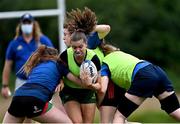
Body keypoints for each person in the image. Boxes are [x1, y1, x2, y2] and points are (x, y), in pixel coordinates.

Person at [2, 45, 87, 123]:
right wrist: (90, 84)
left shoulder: (37, 66)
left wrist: (61, 81)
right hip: (36, 98)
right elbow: (75, 80)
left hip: (18, 97)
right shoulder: (59, 64)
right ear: (56, 56)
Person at [96, 50, 180, 123]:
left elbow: (103, 89)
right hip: (157, 70)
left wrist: (98, 102)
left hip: (144, 76)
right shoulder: (118, 54)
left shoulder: (104, 65)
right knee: (174, 110)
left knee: (119, 117)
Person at [1, 13, 54, 98]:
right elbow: (7, 65)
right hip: (21, 82)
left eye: (29, 22)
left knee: (43, 109)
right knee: (20, 109)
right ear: (20, 25)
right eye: (24, 23)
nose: (26, 25)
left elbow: (53, 60)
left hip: (41, 81)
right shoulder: (14, 43)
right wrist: (5, 85)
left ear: (33, 24)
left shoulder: (43, 40)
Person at [59, 31, 101, 123]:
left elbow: (99, 85)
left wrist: (91, 85)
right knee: (77, 122)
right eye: (74, 47)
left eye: (80, 47)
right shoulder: (64, 56)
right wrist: (60, 81)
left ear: (86, 44)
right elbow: (58, 74)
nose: (77, 50)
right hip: (70, 91)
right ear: (70, 45)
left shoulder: (94, 58)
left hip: (88, 92)